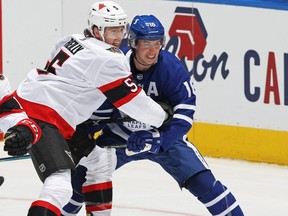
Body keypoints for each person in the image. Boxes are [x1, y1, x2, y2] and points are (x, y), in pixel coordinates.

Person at [62, 14, 244, 216]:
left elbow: (185, 116)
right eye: (146, 43)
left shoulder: (172, 69)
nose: (152, 50)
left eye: (157, 43)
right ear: (133, 42)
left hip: (165, 139)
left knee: (205, 185)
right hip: (119, 137)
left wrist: (161, 139)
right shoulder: (115, 63)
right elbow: (100, 107)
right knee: (79, 182)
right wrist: (84, 133)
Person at [0, 2, 169, 215]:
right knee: (60, 184)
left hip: (36, 108)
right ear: (97, 29)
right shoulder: (108, 58)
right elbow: (135, 104)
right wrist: (163, 116)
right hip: (43, 117)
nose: (119, 36)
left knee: (100, 160)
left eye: (121, 29)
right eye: (113, 30)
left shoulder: (71, 39)